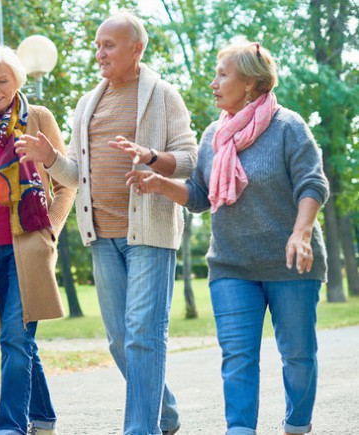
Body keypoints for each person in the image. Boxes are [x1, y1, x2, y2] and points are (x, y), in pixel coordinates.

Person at [124, 42, 329, 435]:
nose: (214, 83)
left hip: (290, 262)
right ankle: (240, 429)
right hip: (231, 264)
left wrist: (301, 234)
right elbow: (200, 196)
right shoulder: (215, 135)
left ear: (251, 83)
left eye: (223, 75)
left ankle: (297, 425)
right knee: (237, 357)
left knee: (298, 355)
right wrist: (162, 184)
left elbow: (312, 183)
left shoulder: (288, 127)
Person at [15, 12, 197, 435]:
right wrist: (50, 160)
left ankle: (141, 428)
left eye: (108, 45)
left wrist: (152, 159)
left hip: (150, 234)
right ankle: (164, 415)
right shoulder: (86, 104)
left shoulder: (163, 96)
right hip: (102, 236)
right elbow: (77, 174)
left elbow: (190, 159)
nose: (99, 53)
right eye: (97, 45)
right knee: (119, 340)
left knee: (143, 335)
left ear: (137, 49)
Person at [0, 45, 75, 435]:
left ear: (17, 80)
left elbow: (67, 183)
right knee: (20, 341)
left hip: (30, 250)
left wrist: (50, 230)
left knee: (13, 338)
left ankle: (10, 428)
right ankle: (44, 419)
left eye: (2, 80)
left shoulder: (38, 118)